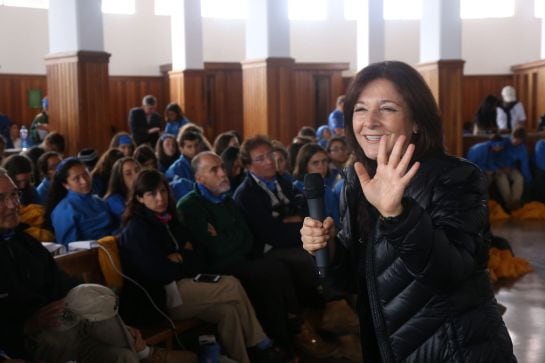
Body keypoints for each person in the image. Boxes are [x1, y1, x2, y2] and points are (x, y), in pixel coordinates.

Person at [300, 61, 515, 362]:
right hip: (387, 348)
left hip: (456, 349)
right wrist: (329, 247)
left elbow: (450, 274)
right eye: (360, 109)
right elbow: (354, 281)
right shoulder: (357, 178)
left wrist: (397, 213)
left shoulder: (456, 177)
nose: (370, 121)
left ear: (416, 121)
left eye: (386, 108)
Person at [0, 168, 192, 362]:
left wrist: (98, 308)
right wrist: (28, 325)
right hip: (27, 342)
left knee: (122, 354)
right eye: (1, 199)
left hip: (64, 324)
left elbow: (61, 282)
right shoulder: (65, 211)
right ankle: (147, 354)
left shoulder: (25, 242)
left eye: (15, 195)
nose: (13, 204)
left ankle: (139, 350)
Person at [118, 169, 281, 363]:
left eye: (163, 191)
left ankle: (242, 359)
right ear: (140, 198)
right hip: (160, 298)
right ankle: (262, 343)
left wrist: (180, 257)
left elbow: (200, 257)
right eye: (152, 194)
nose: (160, 198)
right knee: (231, 284)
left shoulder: (171, 220)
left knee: (228, 311)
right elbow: (158, 272)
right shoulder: (137, 229)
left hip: (184, 285)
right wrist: (184, 257)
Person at [44, 158, 117, 246]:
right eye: (76, 179)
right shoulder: (64, 210)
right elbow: (70, 249)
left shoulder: (99, 201)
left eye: (86, 174)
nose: (84, 181)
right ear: (66, 185)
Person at [292, 143, 340, 227]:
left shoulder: (328, 190)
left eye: (324, 161)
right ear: (304, 165)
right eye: (315, 163)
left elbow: (337, 222)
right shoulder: (295, 188)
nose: (321, 166)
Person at [104, 157, 140, 226]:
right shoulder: (113, 199)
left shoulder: (142, 193)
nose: (136, 175)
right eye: (128, 174)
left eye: (137, 170)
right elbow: (132, 221)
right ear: (120, 179)